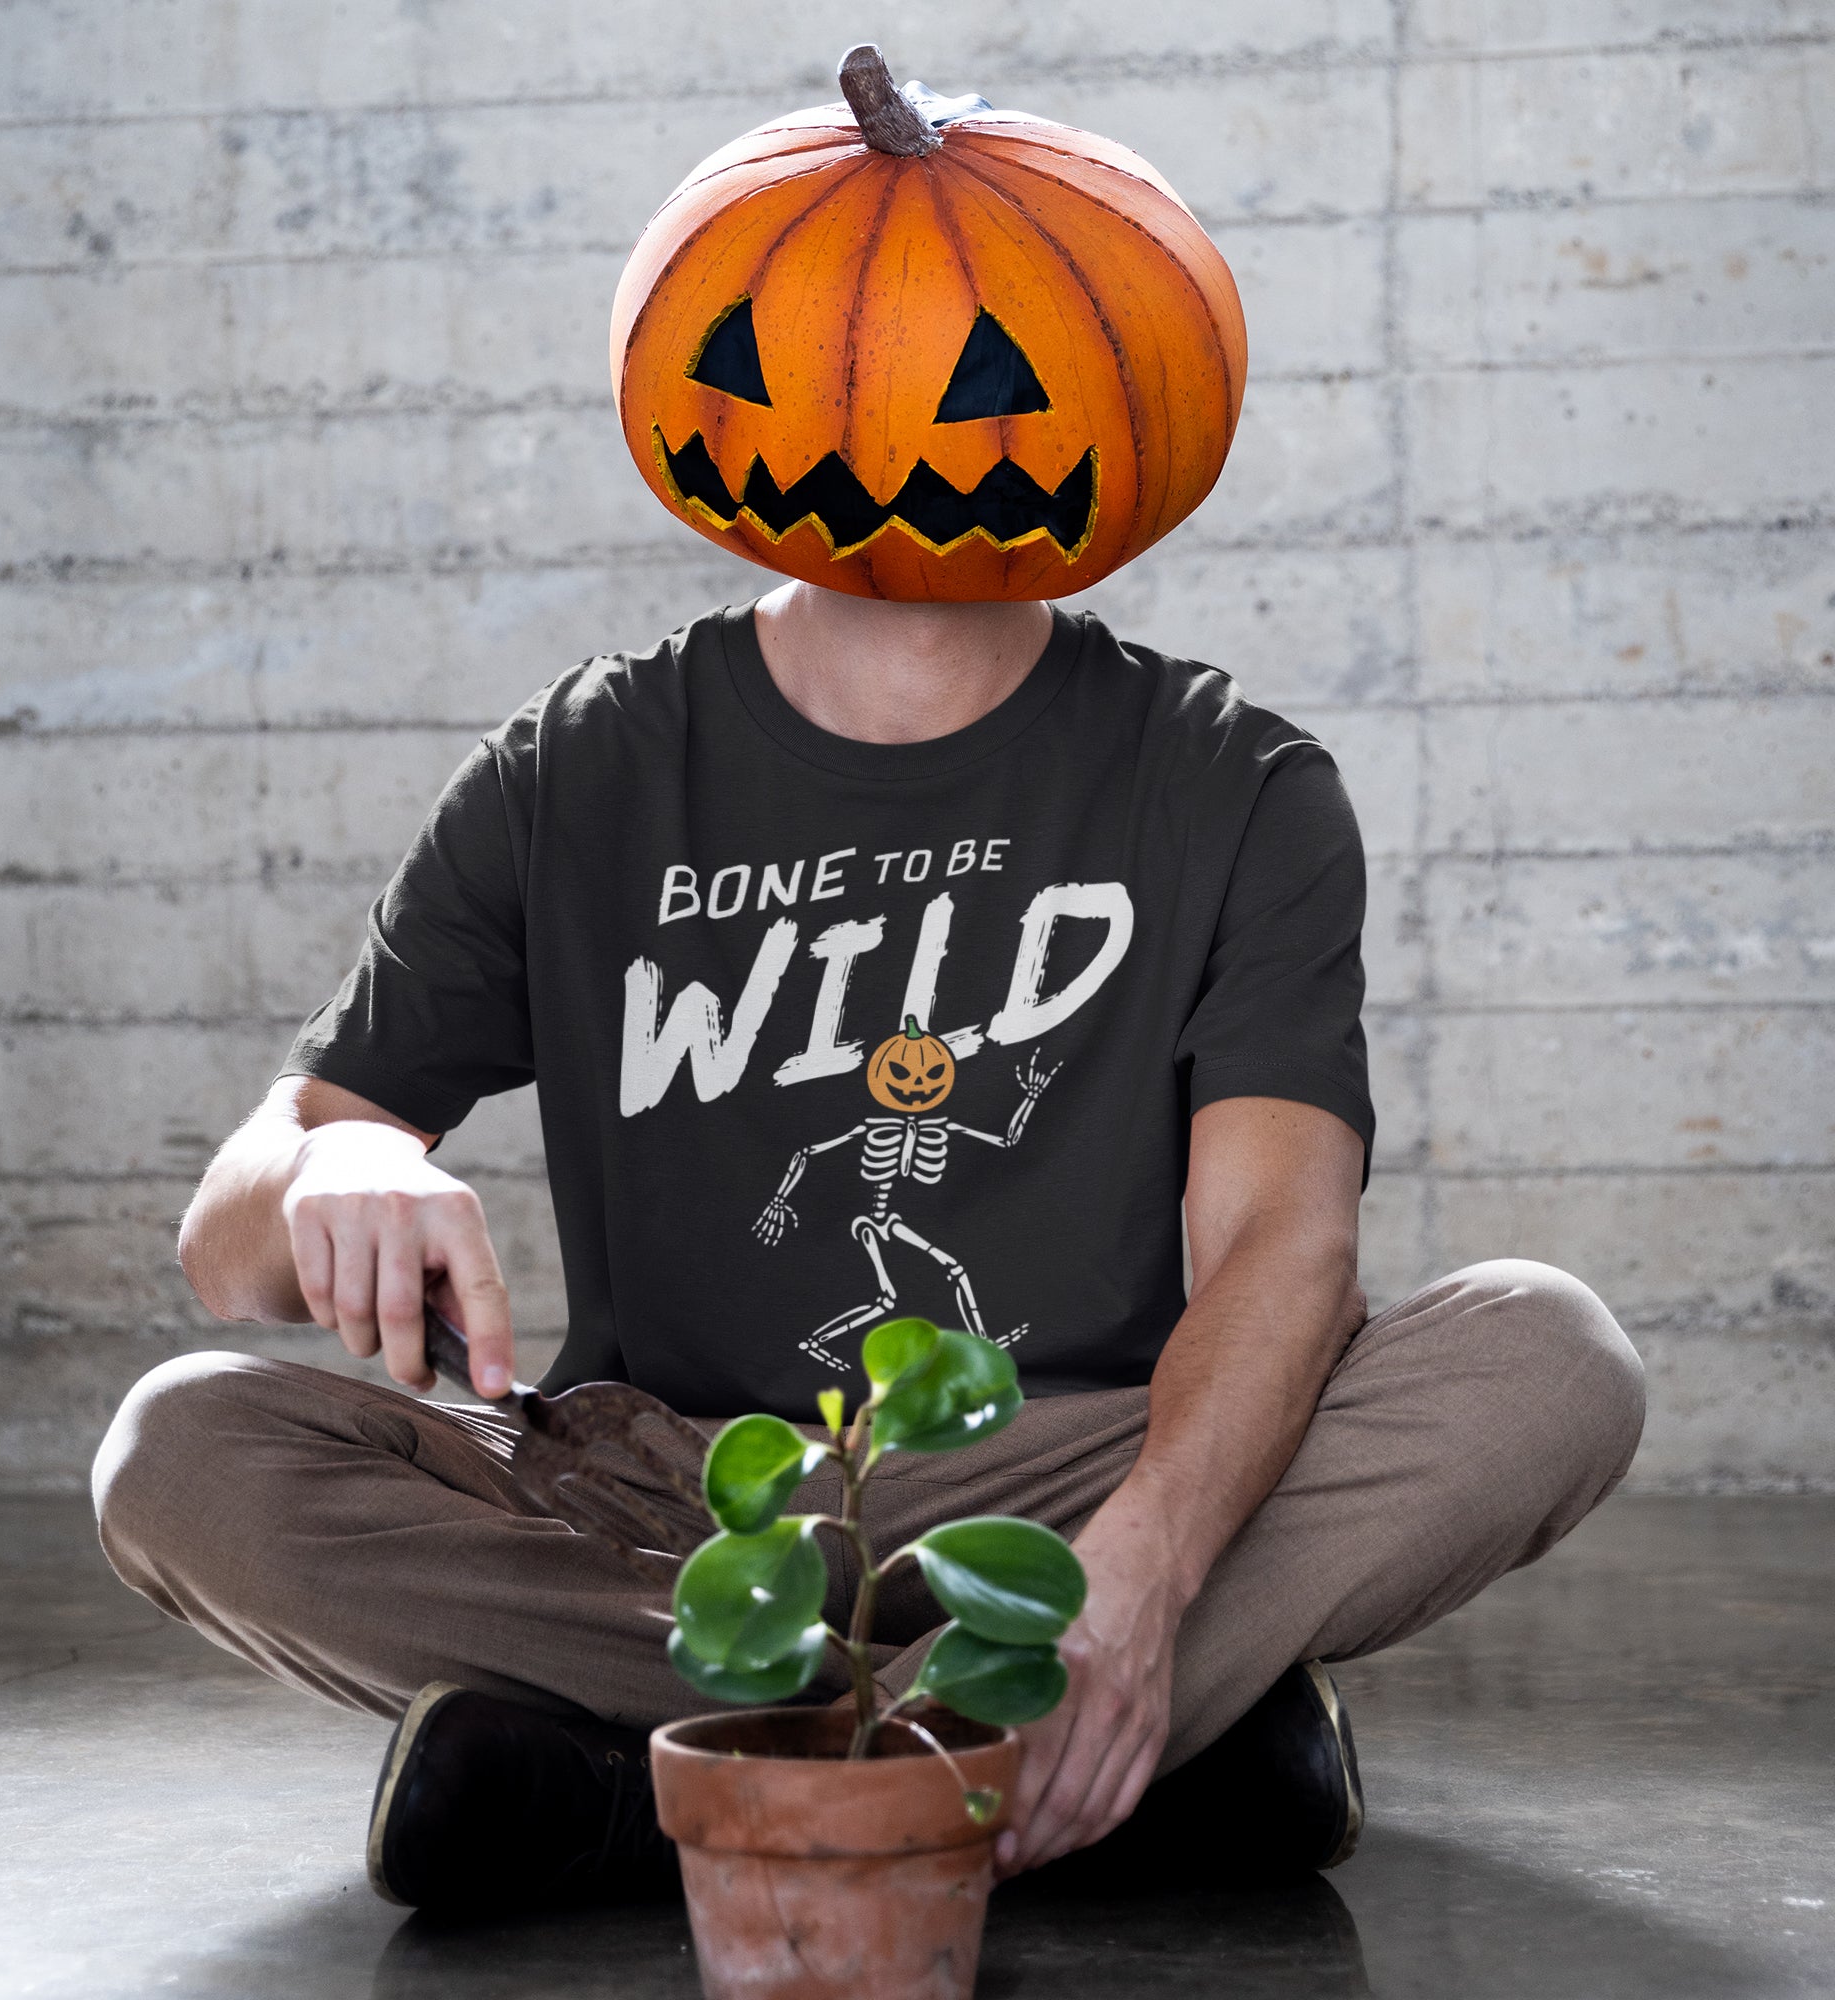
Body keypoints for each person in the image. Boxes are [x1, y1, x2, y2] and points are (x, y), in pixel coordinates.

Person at [90, 56, 1646, 1916]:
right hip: (679, 1488)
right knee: (181, 1450)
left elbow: (1282, 1252)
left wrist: (1140, 1575)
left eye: (987, 379)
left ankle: (638, 1787)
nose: (905, 423)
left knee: (1547, 1355)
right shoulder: (577, 769)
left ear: (1139, 388)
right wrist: (335, 1166)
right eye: (806, 353)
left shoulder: (1233, 784)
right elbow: (231, 1239)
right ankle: (1077, 1769)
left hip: (1079, 1465)